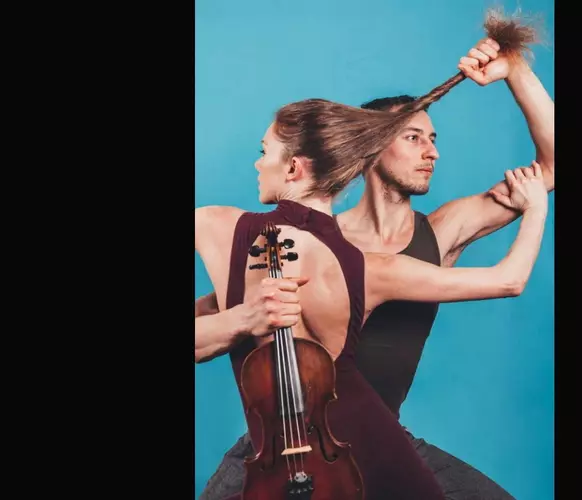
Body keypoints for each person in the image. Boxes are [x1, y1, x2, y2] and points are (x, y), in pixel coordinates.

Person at [196, 10, 552, 500]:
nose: (432, 152)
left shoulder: (441, 232)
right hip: (287, 444)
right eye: (413, 137)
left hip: (382, 438)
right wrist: (240, 317)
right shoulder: (311, 244)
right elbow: (219, 316)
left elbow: (549, 170)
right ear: (370, 149)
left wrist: (516, 70)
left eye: (434, 139)